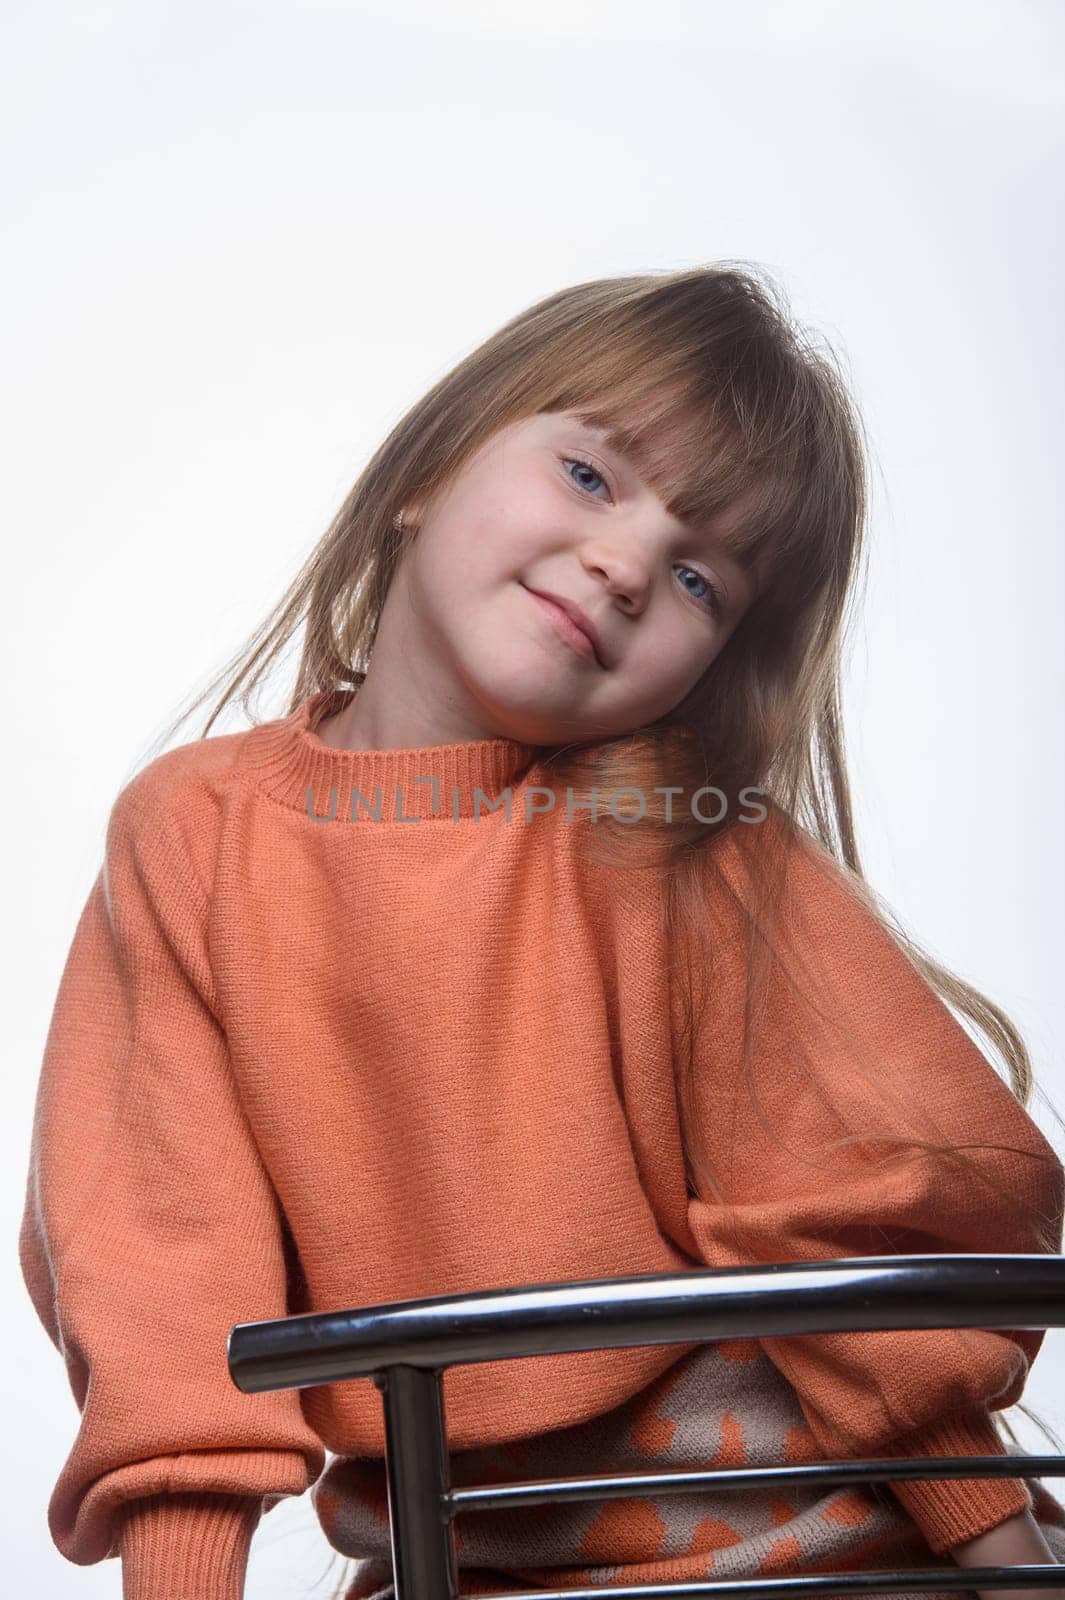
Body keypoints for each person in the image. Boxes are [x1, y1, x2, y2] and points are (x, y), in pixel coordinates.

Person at [19, 264, 1065, 1600]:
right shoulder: (193, 837)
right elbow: (161, 1256)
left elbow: (864, 1197)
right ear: (421, 473)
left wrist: (1000, 1550)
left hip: (832, 1555)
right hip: (460, 1569)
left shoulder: (677, 832)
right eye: (589, 476)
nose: (626, 564)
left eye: (699, 577)